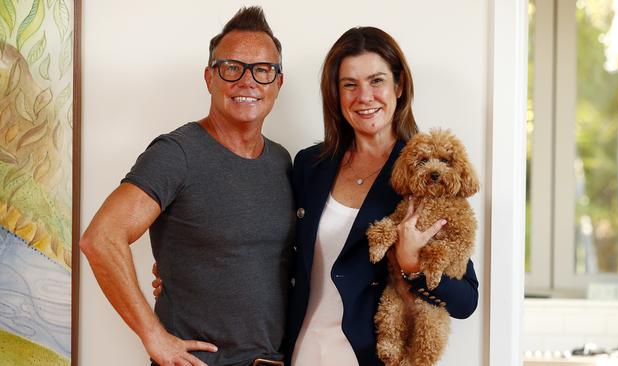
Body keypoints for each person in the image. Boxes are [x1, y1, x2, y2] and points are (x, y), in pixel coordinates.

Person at [80, 6, 294, 366]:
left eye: (262, 70)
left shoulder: (282, 161)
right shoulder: (177, 153)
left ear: (278, 83)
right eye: (232, 68)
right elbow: (100, 238)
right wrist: (154, 337)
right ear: (210, 78)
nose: (247, 82)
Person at [283, 27, 479, 365]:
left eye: (377, 81)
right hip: (302, 353)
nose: (364, 96)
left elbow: (466, 301)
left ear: (399, 86)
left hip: (371, 357)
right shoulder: (309, 165)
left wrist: (412, 266)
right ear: (336, 93)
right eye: (350, 84)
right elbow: (279, 249)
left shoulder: (424, 175)